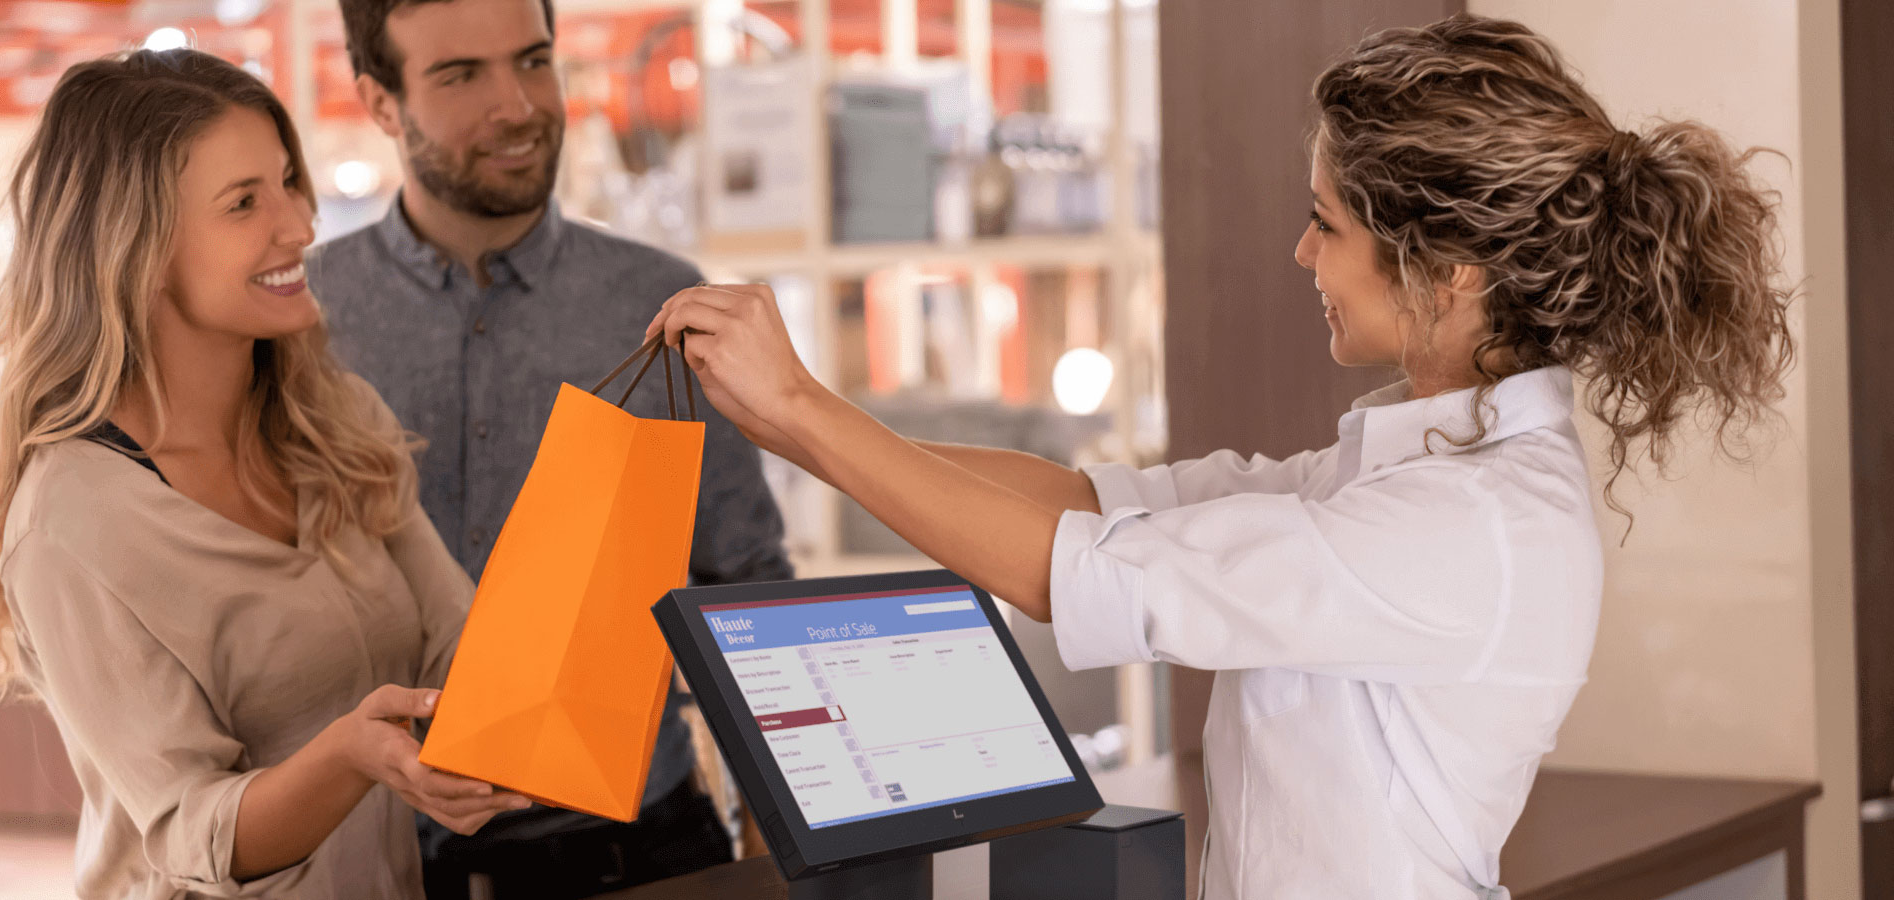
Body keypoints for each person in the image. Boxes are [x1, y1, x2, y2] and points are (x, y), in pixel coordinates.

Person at [648, 15, 1794, 899]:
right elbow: (1090, 504)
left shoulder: (1468, 522)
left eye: (1327, 223)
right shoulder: (1398, 469)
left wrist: (802, 415)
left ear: (1445, 271)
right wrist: (793, 414)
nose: (1301, 253)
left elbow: (1078, 574)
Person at [0, 48, 529, 899]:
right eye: (244, 203)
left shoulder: (336, 423)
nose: (300, 224)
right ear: (137, 247)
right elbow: (189, 831)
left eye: (290, 183)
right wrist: (350, 754)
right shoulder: (69, 523)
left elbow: (457, 640)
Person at [304, 0, 793, 895]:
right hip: (382, 862)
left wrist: (779, 839)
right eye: (461, 76)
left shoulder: (661, 306)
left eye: (533, 61)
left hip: (639, 851)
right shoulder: (301, 323)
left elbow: (747, 587)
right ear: (380, 103)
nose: (518, 104)